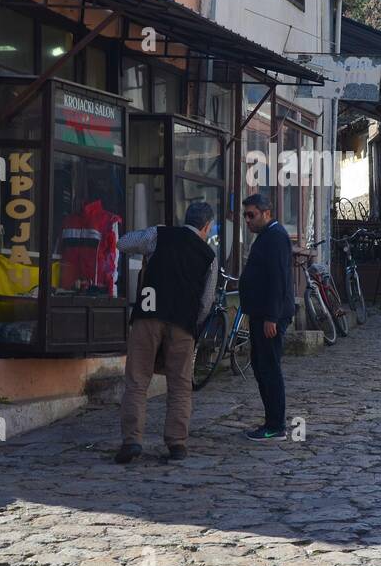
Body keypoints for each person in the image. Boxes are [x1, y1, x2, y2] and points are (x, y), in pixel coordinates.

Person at [116, 200, 218, 465]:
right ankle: (177, 443)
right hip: (182, 322)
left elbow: (123, 243)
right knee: (180, 385)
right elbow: (206, 301)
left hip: (148, 316)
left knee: (137, 380)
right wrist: (193, 324)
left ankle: (132, 440)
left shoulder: (159, 235)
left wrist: (154, 232)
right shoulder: (209, 255)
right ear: (207, 226)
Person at [238, 192, 294, 442]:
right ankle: (272, 421)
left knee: (269, 369)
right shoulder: (266, 236)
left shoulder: (275, 237)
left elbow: (277, 280)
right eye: (245, 215)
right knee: (261, 368)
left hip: (270, 316)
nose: (247, 220)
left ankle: (276, 425)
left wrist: (272, 316)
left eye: (252, 215)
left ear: (266, 213)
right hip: (261, 314)